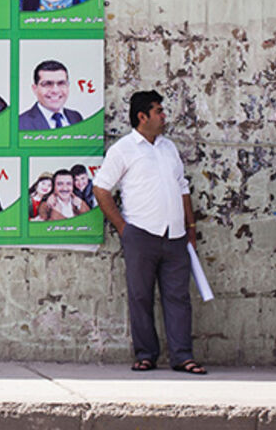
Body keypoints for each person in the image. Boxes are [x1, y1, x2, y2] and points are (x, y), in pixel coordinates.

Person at [92, 90, 206, 374]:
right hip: (141, 234)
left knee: (178, 297)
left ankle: (182, 356)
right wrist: (123, 228)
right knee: (140, 297)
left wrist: (190, 227)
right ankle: (146, 354)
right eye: (158, 111)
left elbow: (182, 187)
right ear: (142, 117)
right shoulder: (124, 149)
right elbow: (101, 188)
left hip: (175, 235)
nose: (164, 116)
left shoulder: (168, 148)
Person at [18, 60, 84, 131]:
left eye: (61, 83)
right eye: (47, 84)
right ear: (35, 89)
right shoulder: (20, 124)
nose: (55, 91)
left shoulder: (76, 118)